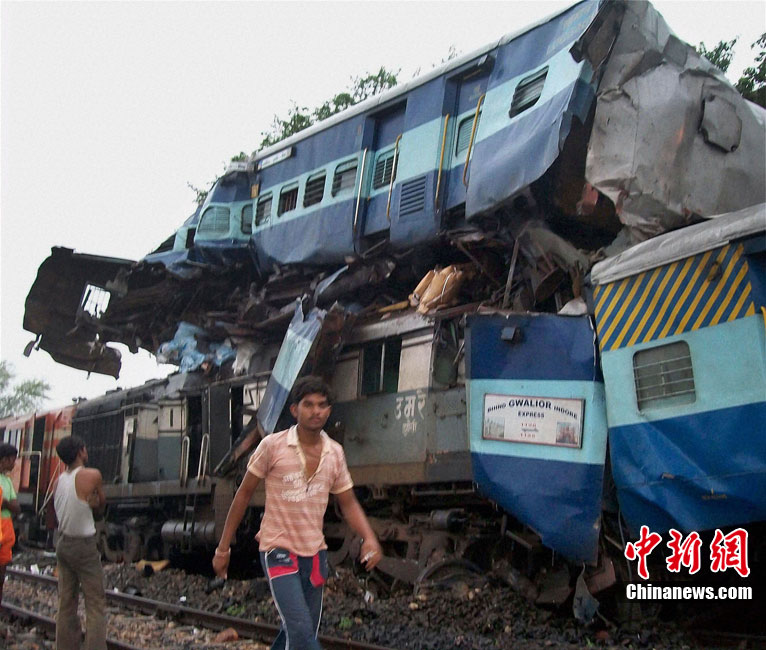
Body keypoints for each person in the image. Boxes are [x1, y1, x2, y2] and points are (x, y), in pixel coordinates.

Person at [213, 376, 383, 650]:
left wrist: (370, 538)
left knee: (297, 632)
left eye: (322, 405)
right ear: (295, 410)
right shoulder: (272, 446)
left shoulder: (335, 453)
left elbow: (348, 502)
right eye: (309, 405)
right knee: (302, 633)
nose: (316, 411)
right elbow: (243, 494)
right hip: (278, 549)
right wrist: (223, 549)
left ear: (329, 410)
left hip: (315, 555)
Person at [52, 435, 106, 650]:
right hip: (84, 546)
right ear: (80, 452)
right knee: (95, 604)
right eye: (84, 448)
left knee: (66, 603)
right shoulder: (92, 475)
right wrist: (95, 503)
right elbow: (100, 509)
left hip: (63, 544)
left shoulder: (58, 482)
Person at [0, 443, 20, 605]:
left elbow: (16, 507)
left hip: (6, 534)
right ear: (4, 460)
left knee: (1, 576)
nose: (14, 464)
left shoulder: (7, 481)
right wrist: (7, 504)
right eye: (13, 460)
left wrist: (5, 503)